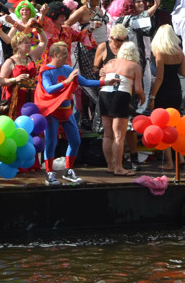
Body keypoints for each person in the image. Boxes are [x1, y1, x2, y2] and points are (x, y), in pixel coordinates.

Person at [34, 41, 107, 186]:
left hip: (66, 111)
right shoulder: (45, 70)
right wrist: (67, 81)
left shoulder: (67, 68)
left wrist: (105, 82)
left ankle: (68, 170)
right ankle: (49, 173)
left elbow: (84, 81)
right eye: (64, 54)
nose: (67, 57)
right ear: (55, 55)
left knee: (75, 140)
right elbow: (49, 89)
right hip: (53, 111)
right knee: (51, 142)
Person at [98, 41, 144, 176]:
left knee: (107, 135)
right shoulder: (135, 66)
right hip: (120, 96)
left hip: (104, 95)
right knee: (119, 135)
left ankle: (110, 166)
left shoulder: (110, 63)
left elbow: (101, 80)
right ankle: (119, 168)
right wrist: (140, 94)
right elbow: (138, 88)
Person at [149, 24, 185, 169]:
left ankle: (170, 162)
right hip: (176, 89)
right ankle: (180, 157)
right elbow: (183, 73)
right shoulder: (179, 52)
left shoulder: (160, 53)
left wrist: (152, 97)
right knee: (174, 125)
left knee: (163, 126)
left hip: (163, 91)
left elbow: (159, 78)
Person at [0, 31, 45, 119]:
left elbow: (43, 42)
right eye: (26, 43)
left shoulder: (31, 57)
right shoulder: (10, 61)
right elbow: (1, 81)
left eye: (29, 42)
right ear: (18, 45)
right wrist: (15, 79)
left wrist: (39, 28)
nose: (29, 45)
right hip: (16, 97)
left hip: (31, 95)